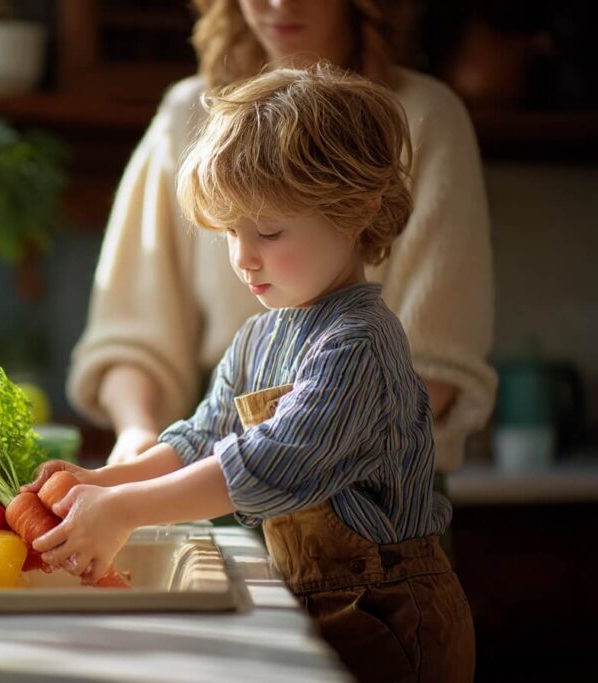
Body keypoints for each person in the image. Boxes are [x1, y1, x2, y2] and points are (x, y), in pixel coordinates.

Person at [33, 65, 474, 683]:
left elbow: (266, 463)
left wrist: (125, 509)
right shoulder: (259, 336)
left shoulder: (361, 345)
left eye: (267, 230)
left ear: (356, 211)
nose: (242, 256)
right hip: (315, 600)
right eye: (230, 233)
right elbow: (201, 437)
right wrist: (106, 481)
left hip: (393, 616)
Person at [67, 0, 496, 475]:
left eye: (269, 230)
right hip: (218, 473)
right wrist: (137, 441)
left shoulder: (426, 118)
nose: (278, 3)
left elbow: (433, 371)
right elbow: (134, 334)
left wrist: (253, 458)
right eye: (227, 230)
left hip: (367, 495)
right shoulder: (190, 117)